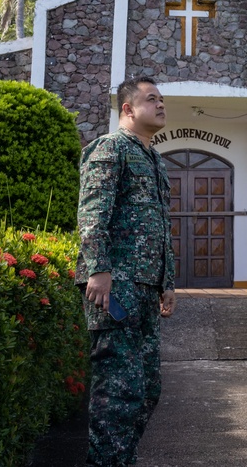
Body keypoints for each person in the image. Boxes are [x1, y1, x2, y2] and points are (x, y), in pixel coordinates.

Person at [76, 76, 176, 467]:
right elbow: (92, 212)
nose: (161, 104)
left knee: (146, 390)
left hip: (146, 290)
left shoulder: (154, 158)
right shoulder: (110, 148)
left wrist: (166, 283)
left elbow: (160, 225)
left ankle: (121, 460)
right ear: (128, 110)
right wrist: (99, 270)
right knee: (117, 393)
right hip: (115, 288)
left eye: (162, 99)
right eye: (151, 99)